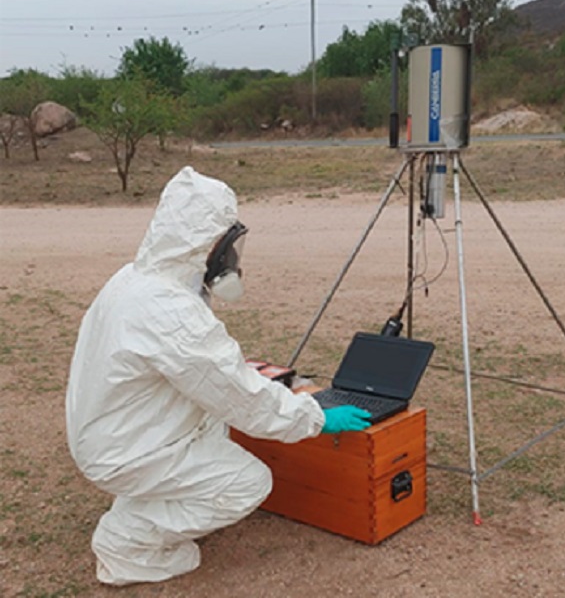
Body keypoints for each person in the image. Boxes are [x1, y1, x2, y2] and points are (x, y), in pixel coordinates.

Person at [66, 166, 370, 586]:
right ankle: (127, 542)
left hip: (118, 431)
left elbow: (212, 378)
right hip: (123, 448)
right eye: (224, 242)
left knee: (213, 424)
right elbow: (243, 399)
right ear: (202, 242)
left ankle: (147, 503)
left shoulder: (135, 278)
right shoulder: (170, 313)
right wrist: (315, 416)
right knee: (247, 483)